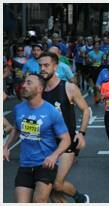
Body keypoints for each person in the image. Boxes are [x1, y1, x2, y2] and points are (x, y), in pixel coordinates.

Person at [3, 73, 71, 203]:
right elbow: (16, 129)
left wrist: (54, 156)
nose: (24, 86)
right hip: (25, 164)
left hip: (45, 165)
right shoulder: (18, 109)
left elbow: (66, 139)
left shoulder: (52, 112)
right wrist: (6, 147)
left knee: (39, 201)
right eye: (24, 82)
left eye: (29, 83)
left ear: (40, 88)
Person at [39, 52, 90, 203]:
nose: (42, 68)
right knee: (51, 191)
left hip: (66, 143)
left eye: (46, 65)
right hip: (45, 145)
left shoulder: (69, 88)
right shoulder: (38, 90)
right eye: (40, 65)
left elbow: (86, 110)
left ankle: (79, 197)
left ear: (55, 67)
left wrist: (81, 133)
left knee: (57, 184)